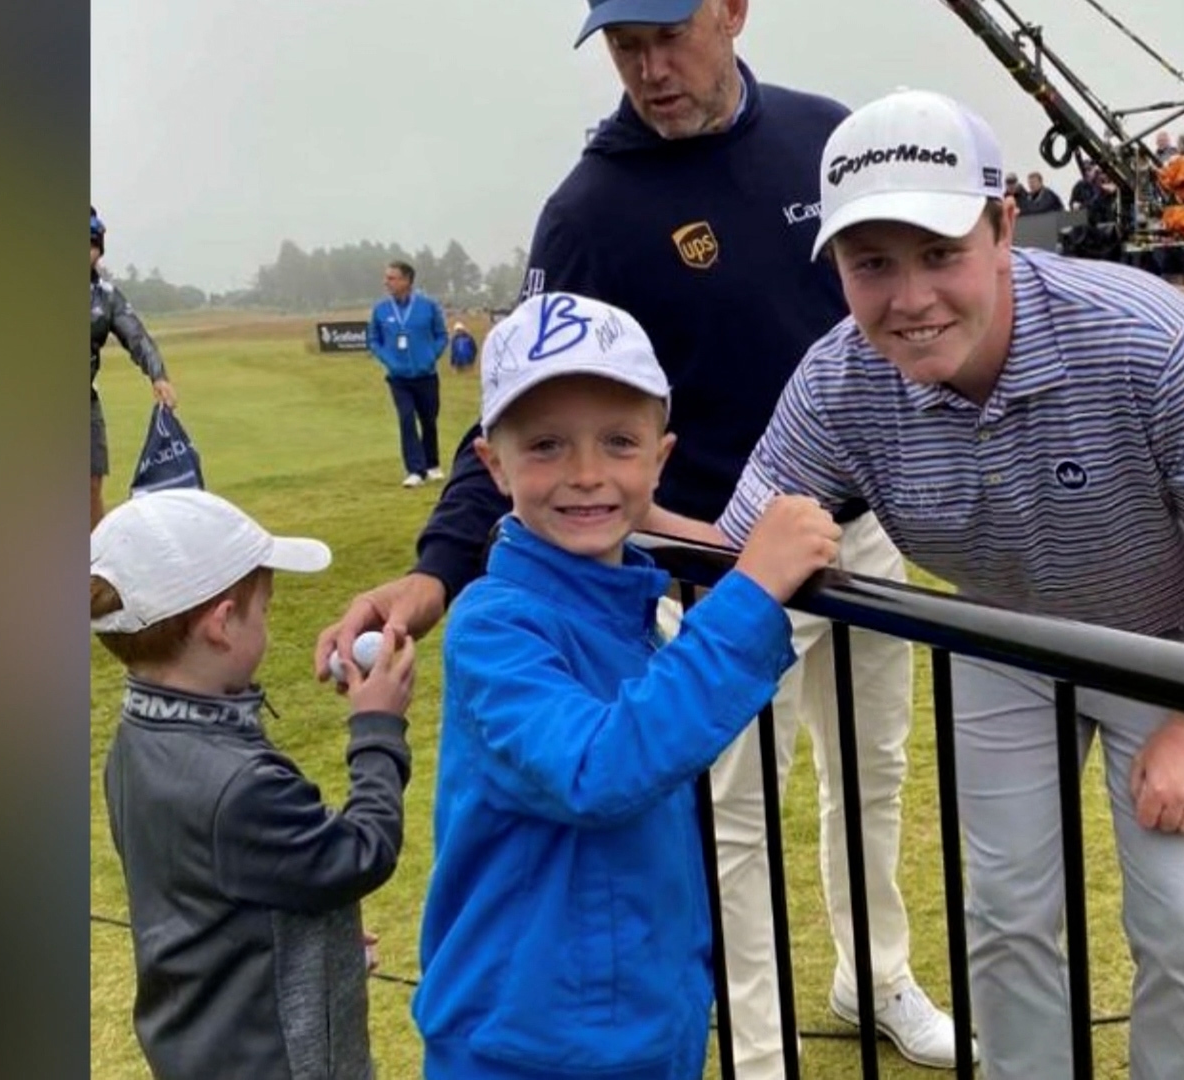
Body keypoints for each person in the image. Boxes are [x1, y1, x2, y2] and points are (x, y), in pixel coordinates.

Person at [317, 1, 957, 1073]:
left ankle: (875, 973)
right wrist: (435, 577)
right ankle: (759, 1051)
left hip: (851, 541)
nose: (651, 70)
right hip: (706, 575)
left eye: (671, 36)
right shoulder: (590, 209)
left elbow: (894, 323)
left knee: (873, 774)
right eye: (625, 47)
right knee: (733, 818)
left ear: (733, 11)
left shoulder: (823, 137)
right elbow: (526, 431)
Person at [676, 88, 1184, 1080]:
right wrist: (604, 516)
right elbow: (741, 541)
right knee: (1008, 916)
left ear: (1005, 226)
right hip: (1003, 643)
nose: (910, 297)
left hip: (1177, 649)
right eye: (871, 264)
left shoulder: (1145, 337)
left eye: (941, 253)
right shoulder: (839, 379)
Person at [411, 292, 843, 1080]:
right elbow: (595, 769)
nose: (586, 475)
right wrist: (749, 593)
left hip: (645, 1029)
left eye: (618, 442)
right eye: (545, 445)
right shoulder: (496, 626)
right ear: (493, 463)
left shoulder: (631, 607)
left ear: (659, 458)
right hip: (523, 1048)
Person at [94, 488, 418, 1080]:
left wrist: (318, 947)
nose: (265, 622)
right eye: (262, 610)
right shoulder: (241, 783)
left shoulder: (132, 746)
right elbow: (361, 853)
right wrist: (378, 726)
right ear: (222, 624)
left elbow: (212, 894)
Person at [90, 205, 178, 528]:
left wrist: (159, 375)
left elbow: (137, 337)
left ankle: (93, 568)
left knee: (90, 485)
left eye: (91, 245)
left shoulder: (107, 297)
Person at [367, 260, 450, 488]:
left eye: (392, 278)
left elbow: (442, 335)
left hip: (426, 374)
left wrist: (430, 356)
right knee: (406, 418)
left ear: (406, 280)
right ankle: (415, 470)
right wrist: (389, 361)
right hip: (398, 378)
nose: (386, 282)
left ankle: (432, 464)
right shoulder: (381, 310)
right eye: (386, 278)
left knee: (428, 420)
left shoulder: (428, 306)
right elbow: (373, 339)